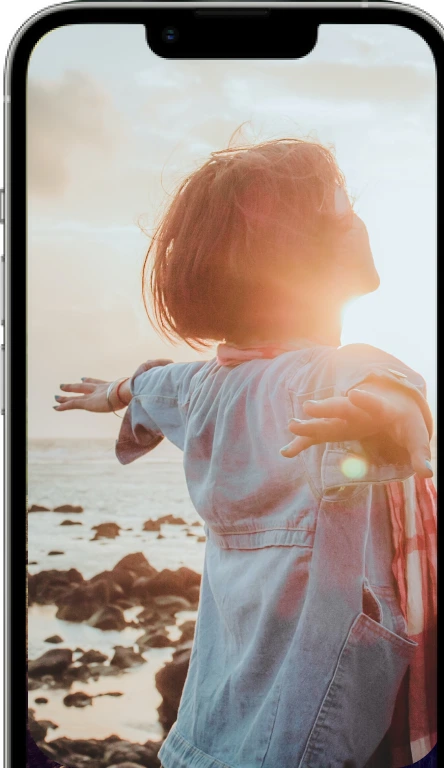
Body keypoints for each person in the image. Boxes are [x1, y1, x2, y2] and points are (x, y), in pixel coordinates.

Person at [54, 138, 436, 768]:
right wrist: (390, 412)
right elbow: (375, 381)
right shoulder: (323, 378)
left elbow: (155, 386)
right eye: (342, 206)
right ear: (289, 252)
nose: (359, 218)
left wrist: (113, 392)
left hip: (213, 730)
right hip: (314, 733)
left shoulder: (206, 386)